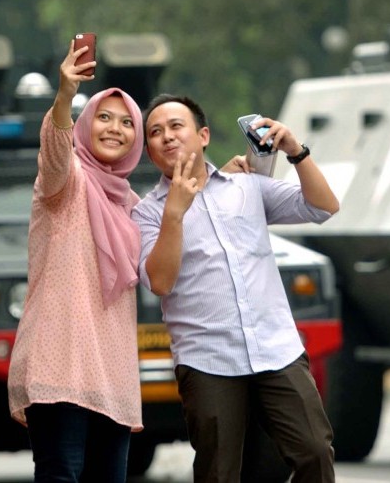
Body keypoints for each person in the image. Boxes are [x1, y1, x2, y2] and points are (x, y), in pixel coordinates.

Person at [131, 94, 340, 482]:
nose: (167, 137)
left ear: (204, 134)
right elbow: (159, 282)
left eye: (176, 126)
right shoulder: (145, 213)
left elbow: (324, 206)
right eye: (155, 133)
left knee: (313, 451)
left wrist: (296, 151)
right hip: (207, 358)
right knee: (219, 472)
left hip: (276, 348)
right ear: (149, 152)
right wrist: (174, 213)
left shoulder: (247, 187)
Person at [7, 39, 144, 482]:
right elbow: (54, 151)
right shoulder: (66, 184)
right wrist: (65, 94)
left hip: (113, 373)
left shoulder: (130, 204)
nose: (115, 128)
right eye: (103, 117)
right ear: (86, 126)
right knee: (60, 475)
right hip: (60, 365)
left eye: (127, 123)